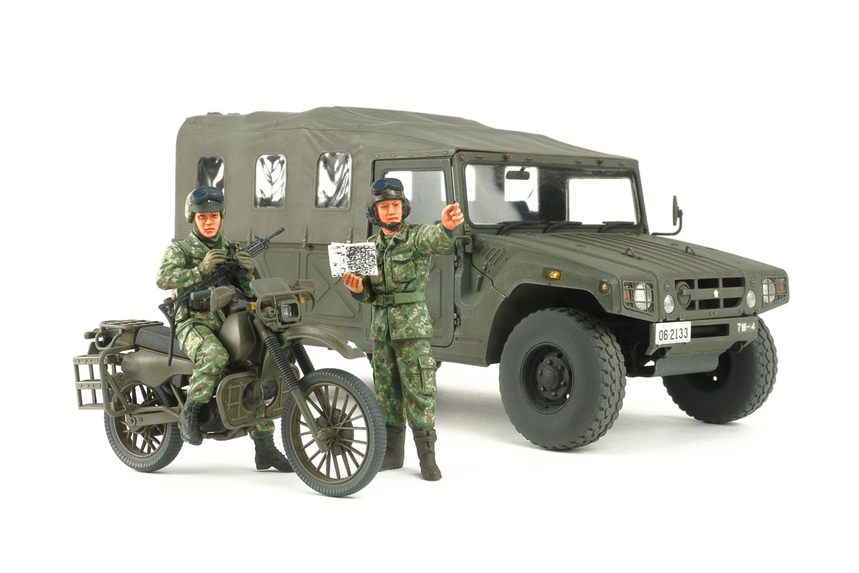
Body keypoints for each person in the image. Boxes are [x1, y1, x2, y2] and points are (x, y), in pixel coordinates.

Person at [156, 186, 291, 472]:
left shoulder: (231, 249)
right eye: (202, 217)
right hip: (193, 322)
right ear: (192, 218)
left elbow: (247, 290)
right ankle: (190, 411)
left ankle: (265, 449)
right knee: (214, 355)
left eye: (214, 216)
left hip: (230, 321)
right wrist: (200, 270)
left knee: (256, 366)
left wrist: (248, 272)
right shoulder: (180, 250)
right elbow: (163, 279)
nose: (208, 222)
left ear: (221, 217)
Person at [343, 178, 464, 481]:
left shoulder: (415, 237)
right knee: (387, 392)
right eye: (385, 207)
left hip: (412, 328)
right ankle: (392, 454)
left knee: (419, 389)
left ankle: (427, 458)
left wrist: (447, 227)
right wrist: (357, 290)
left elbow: (436, 239)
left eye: (396, 205)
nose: (392, 211)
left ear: (404, 207)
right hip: (382, 331)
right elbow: (368, 293)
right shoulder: (368, 248)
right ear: (375, 212)